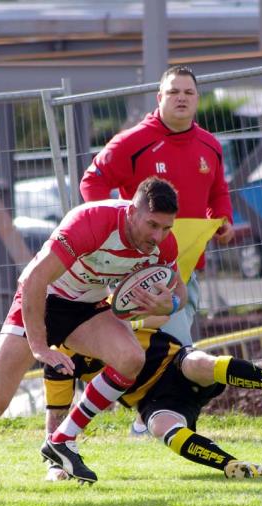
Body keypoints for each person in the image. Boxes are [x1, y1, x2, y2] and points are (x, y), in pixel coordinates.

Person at [0, 176, 188, 488]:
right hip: (41, 300)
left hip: (86, 308)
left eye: (166, 228)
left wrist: (169, 303)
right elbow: (32, 280)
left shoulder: (163, 244)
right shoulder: (92, 222)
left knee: (131, 358)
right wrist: (39, 348)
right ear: (131, 212)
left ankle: (62, 439)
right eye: (153, 225)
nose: (159, 235)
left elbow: (180, 293)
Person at [42, 319, 262, 481]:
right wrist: (55, 465)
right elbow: (56, 415)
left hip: (174, 363)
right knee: (161, 427)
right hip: (153, 399)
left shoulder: (106, 311)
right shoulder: (59, 361)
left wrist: (163, 299)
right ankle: (232, 466)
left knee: (199, 363)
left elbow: (167, 302)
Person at [80, 65, 235, 347]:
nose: (181, 97)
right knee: (173, 354)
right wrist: (111, 229)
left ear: (197, 99)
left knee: (151, 357)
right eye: (173, 91)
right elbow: (92, 182)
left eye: (189, 92)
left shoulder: (210, 145)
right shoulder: (131, 142)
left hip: (187, 269)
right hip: (141, 269)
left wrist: (223, 219)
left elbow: (218, 191)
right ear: (159, 97)